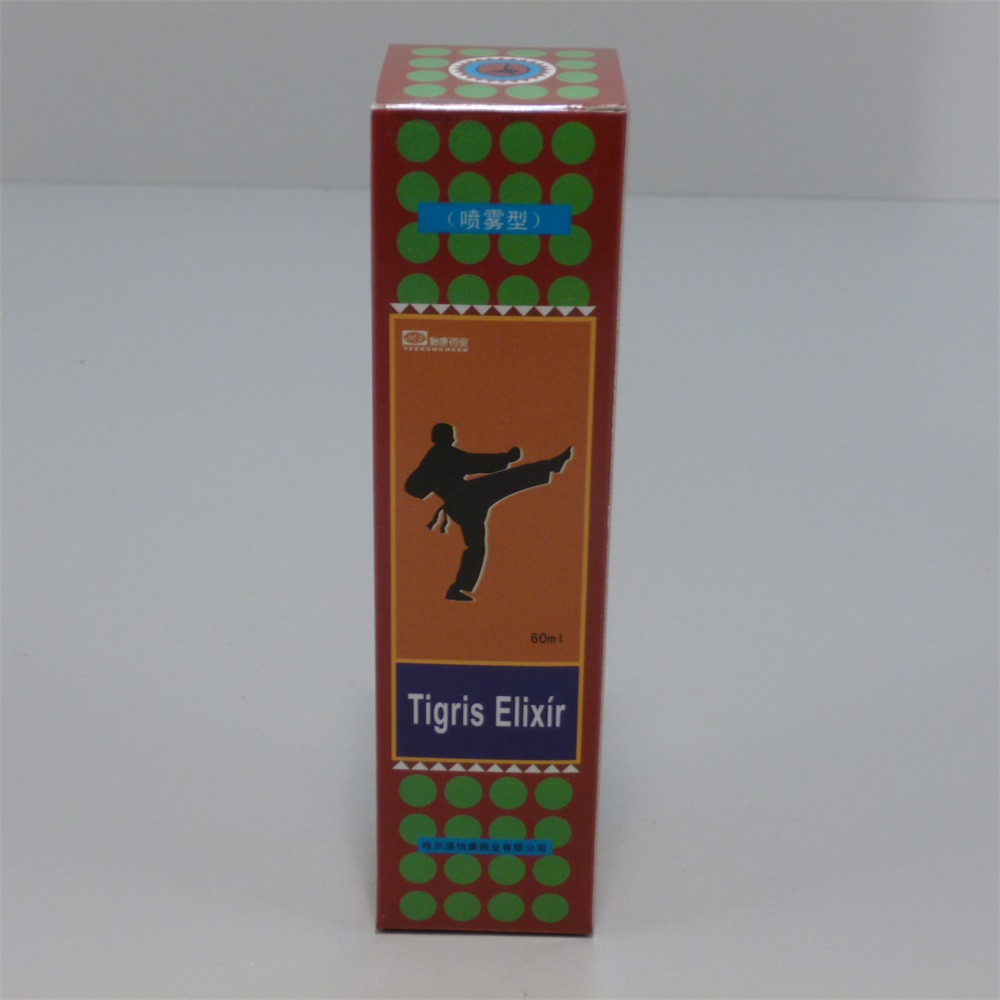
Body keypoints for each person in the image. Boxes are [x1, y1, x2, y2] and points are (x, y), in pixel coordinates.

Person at [404, 423, 572, 601]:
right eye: (450, 434)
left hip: (460, 505)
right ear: (445, 437)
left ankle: (457, 588)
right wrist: (508, 457)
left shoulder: (432, 459)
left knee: (476, 546)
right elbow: (476, 462)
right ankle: (550, 466)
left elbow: (415, 488)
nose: (453, 438)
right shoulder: (443, 454)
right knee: (507, 480)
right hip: (468, 498)